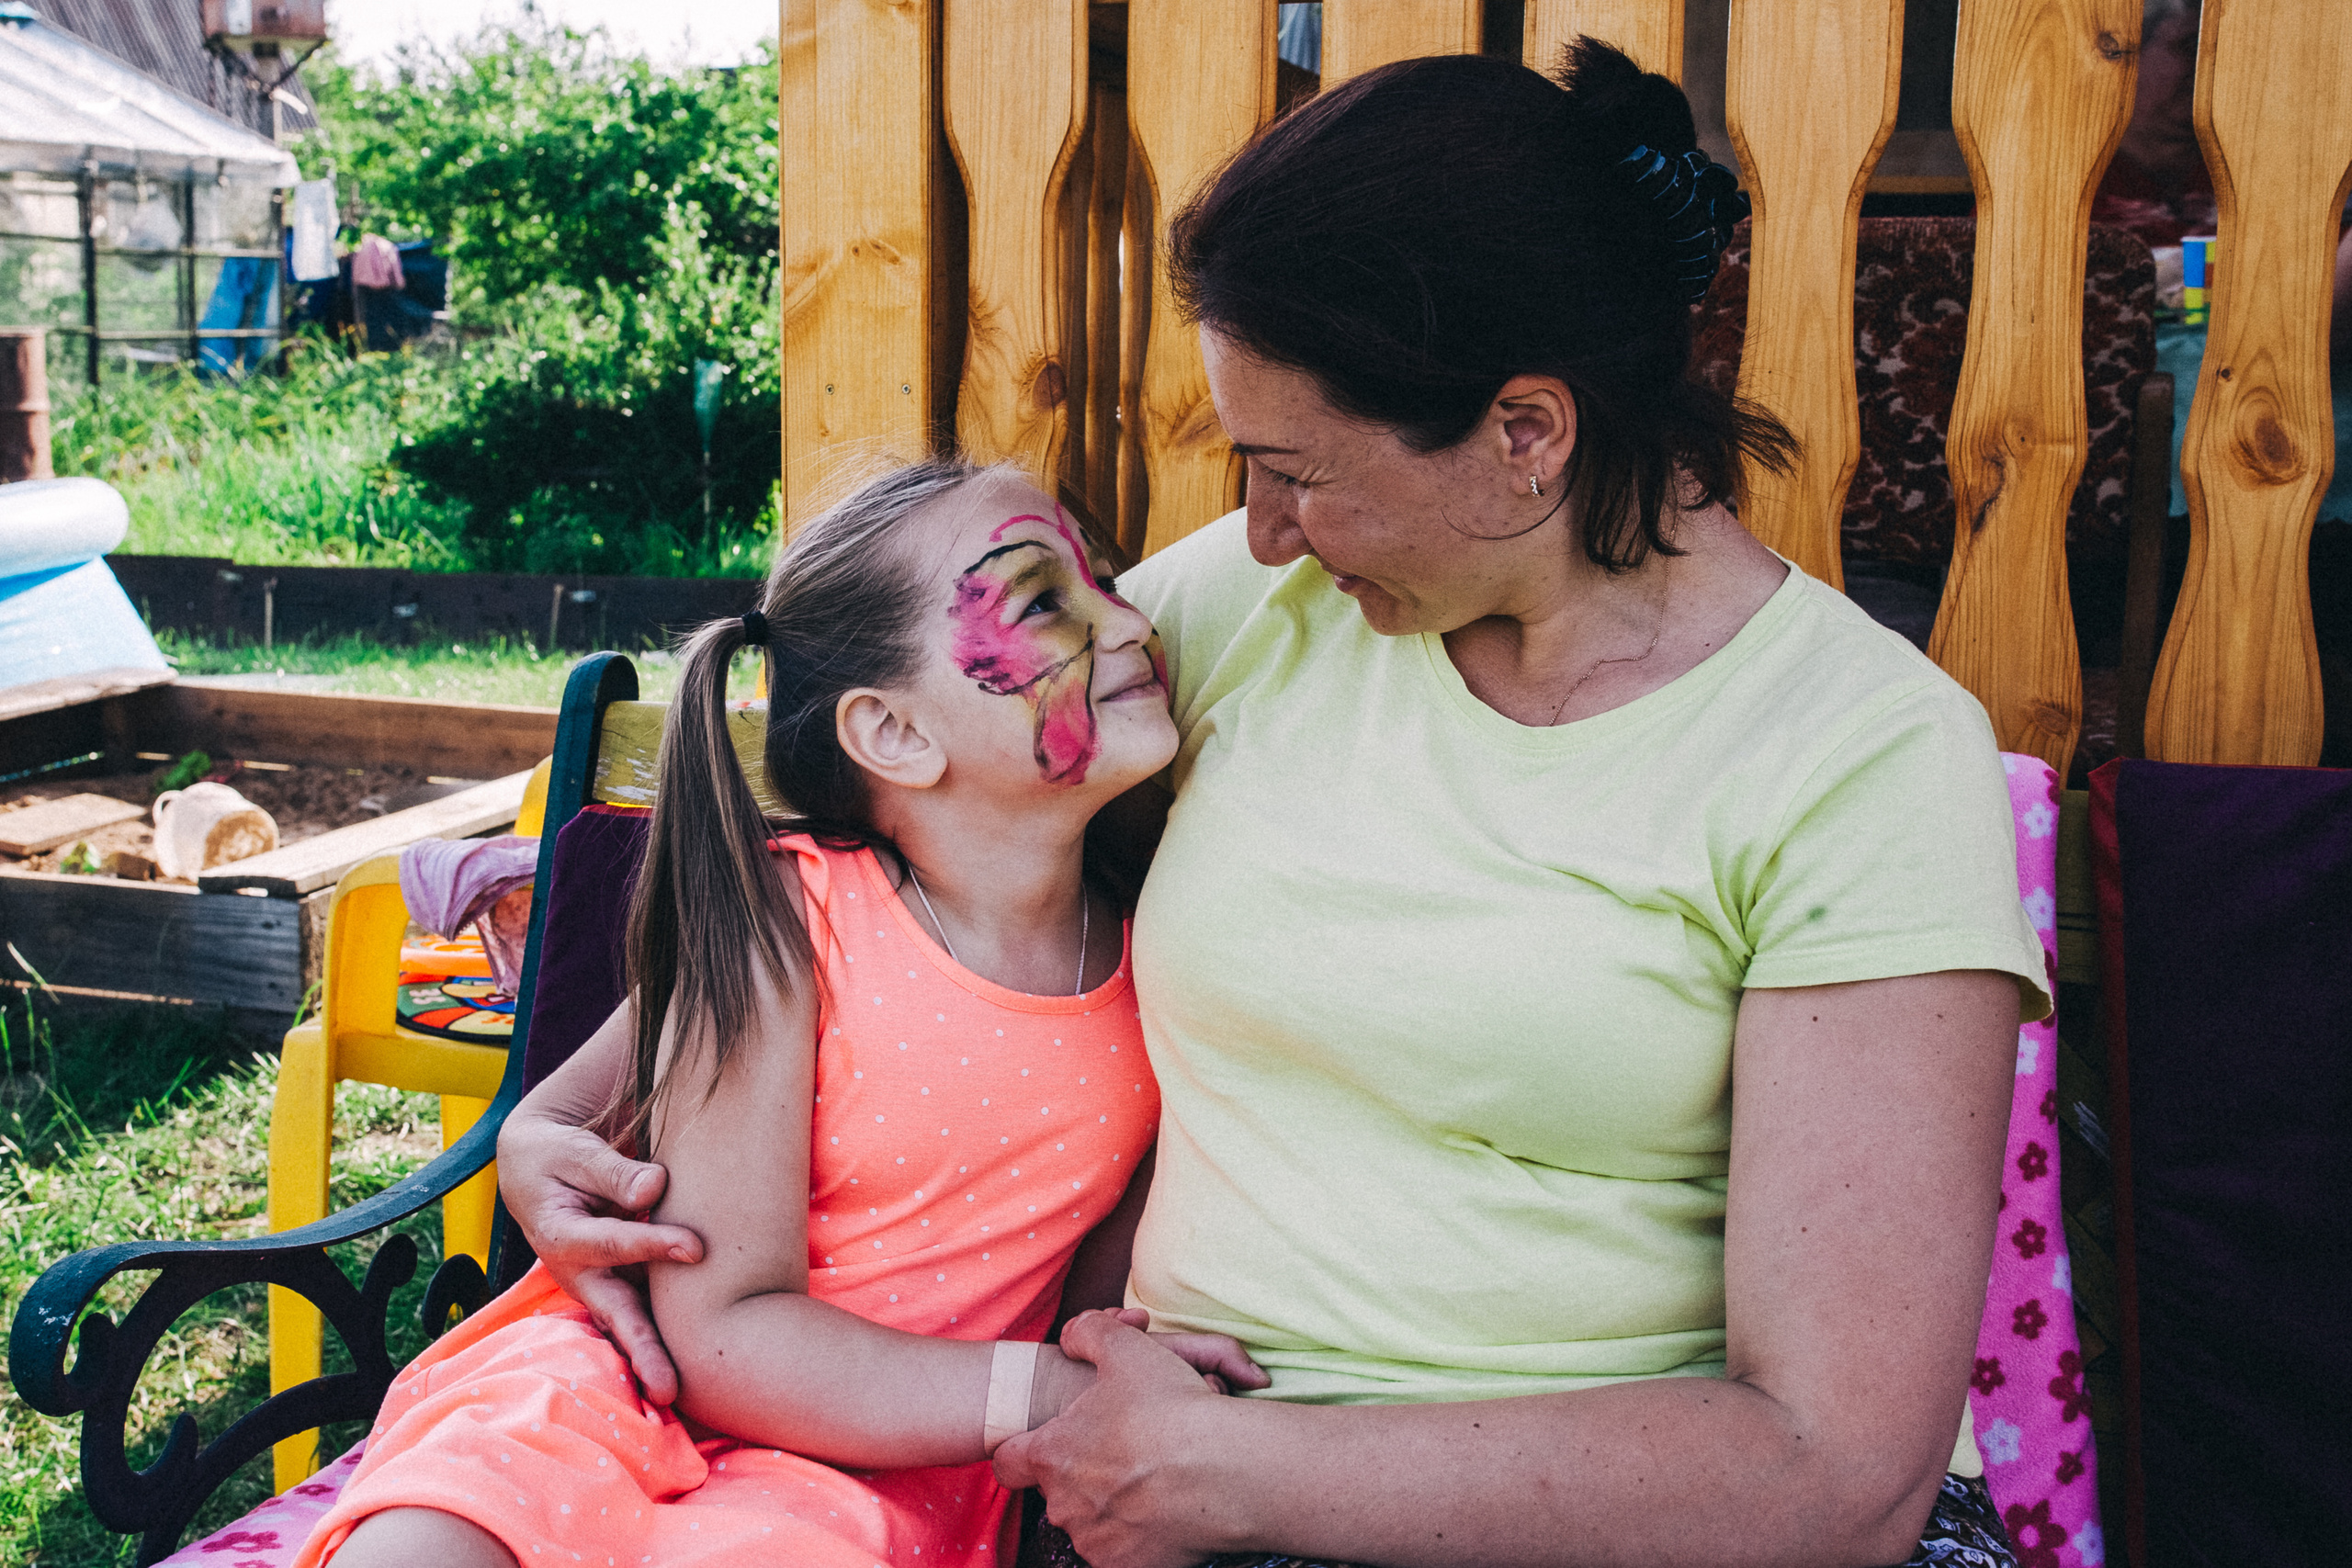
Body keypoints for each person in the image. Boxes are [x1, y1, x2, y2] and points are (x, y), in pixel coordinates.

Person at [499, 42, 2052, 1568]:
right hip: (1176, 1484)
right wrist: (563, 1110)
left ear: (1526, 434)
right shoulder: (1247, 620)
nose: (1261, 529)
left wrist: (1237, 1474)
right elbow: (899, 816)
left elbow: (1833, 1471)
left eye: (1297, 469)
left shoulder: (1859, 753)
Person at [294, 460, 1265, 1568]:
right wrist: (1048, 1389)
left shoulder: (1165, 961)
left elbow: (1094, 1285)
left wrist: (1106, 1376)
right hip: (625, 1386)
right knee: (436, 1534)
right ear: (893, 733)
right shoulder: (791, 922)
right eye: (1045, 601)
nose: (1130, 622)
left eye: (1107, 584)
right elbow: (724, 1333)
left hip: (882, 1464)